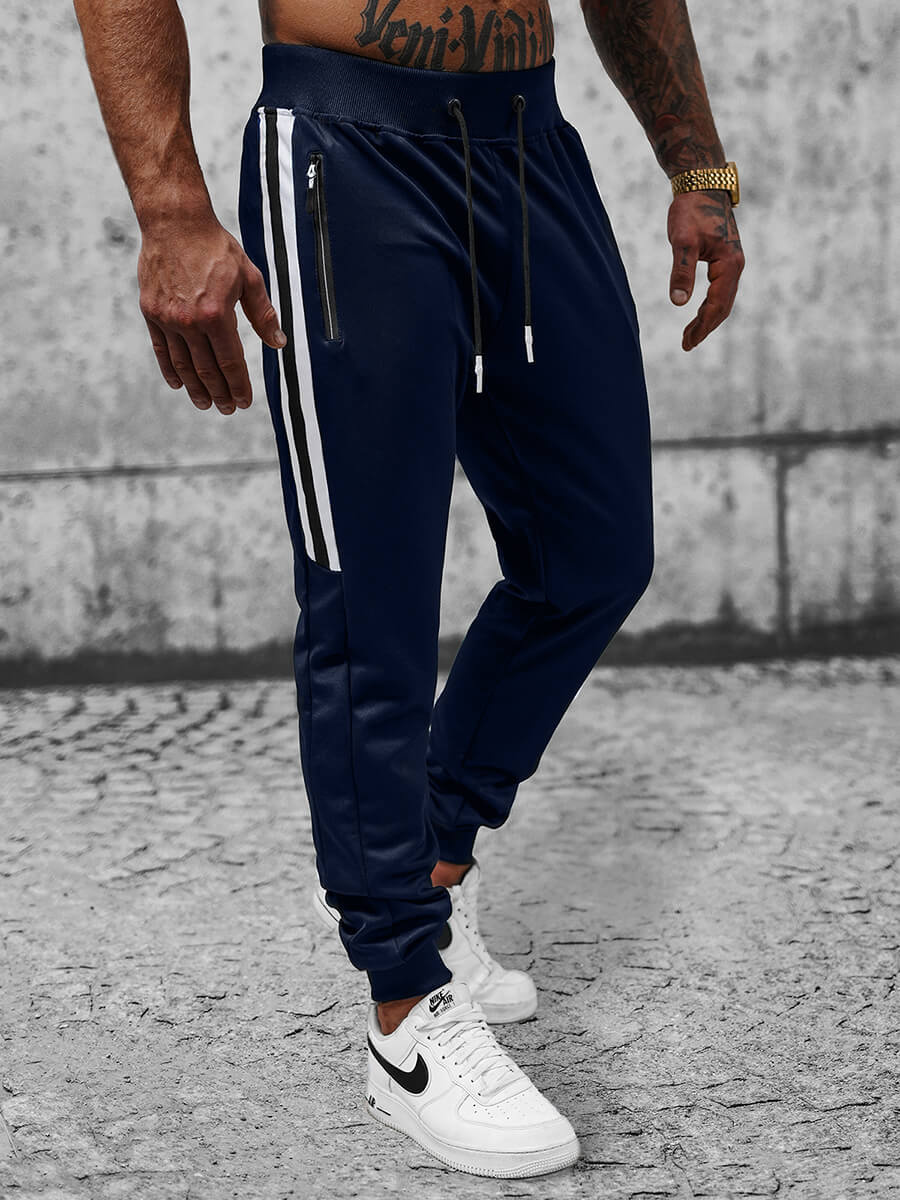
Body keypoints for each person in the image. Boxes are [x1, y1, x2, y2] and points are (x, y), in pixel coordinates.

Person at [72, 0, 744, 1178]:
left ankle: (432, 857)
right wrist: (171, 207)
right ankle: (405, 1007)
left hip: (528, 145)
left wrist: (701, 167)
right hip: (346, 153)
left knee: (591, 553)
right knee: (368, 599)